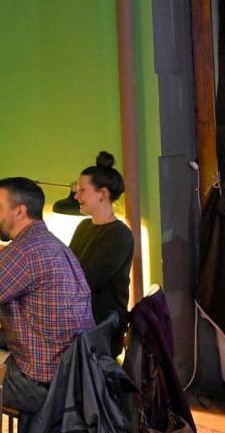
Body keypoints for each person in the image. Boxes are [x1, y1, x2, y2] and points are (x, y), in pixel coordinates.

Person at [0, 177, 94, 418]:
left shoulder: (22, 253)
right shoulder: (54, 244)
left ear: (20, 211)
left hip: (41, 385)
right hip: (75, 375)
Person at [70, 151, 134, 357]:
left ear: (102, 194)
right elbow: (68, 267)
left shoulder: (120, 235)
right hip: (80, 317)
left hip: (101, 326)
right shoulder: (83, 226)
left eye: (82, 190)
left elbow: (86, 280)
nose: (76, 196)